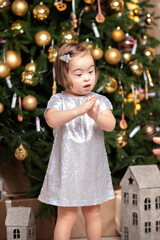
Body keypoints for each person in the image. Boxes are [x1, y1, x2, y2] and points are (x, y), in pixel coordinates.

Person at [38, 42, 116, 240]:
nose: (87, 77)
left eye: (90, 71)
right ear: (65, 77)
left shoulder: (99, 100)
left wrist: (95, 116)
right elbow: (51, 119)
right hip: (68, 170)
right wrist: (78, 110)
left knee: (93, 212)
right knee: (66, 214)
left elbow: (111, 124)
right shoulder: (59, 100)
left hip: (92, 168)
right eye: (79, 74)